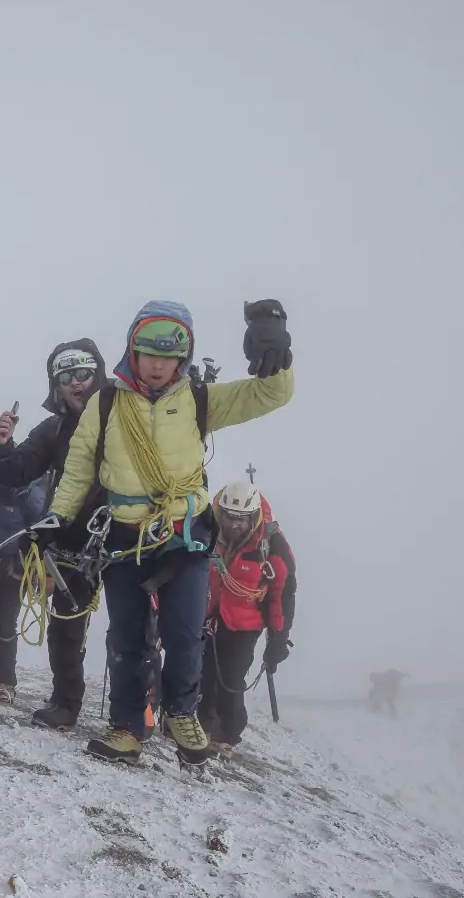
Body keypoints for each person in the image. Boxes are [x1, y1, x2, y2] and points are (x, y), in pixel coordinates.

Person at [33, 298, 294, 765]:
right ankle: (127, 727)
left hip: (184, 536)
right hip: (123, 536)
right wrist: (59, 515)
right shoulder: (106, 402)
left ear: (183, 357)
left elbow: (269, 394)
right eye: (149, 353)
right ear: (133, 350)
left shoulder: (198, 400)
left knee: (185, 631)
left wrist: (276, 343)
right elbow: (78, 466)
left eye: (168, 355)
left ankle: (181, 713)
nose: (157, 365)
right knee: (129, 636)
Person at [0, 339, 110, 715]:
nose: (76, 383)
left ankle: (141, 712)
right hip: (73, 540)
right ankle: (65, 703)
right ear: (56, 387)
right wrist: (2, 445)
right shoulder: (55, 430)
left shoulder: (126, 420)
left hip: (124, 534)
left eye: (84, 374)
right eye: (66, 376)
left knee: (134, 630)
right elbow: (16, 472)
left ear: (98, 376)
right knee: (66, 624)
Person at [197, 481, 297, 756]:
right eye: (228, 516)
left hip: (245, 623)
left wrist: (278, 638)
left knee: (231, 677)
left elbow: (282, 595)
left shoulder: (271, 545)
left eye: (241, 519)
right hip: (205, 615)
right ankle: (200, 726)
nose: (234, 524)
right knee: (200, 672)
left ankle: (226, 734)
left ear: (253, 516)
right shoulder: (206, 529)